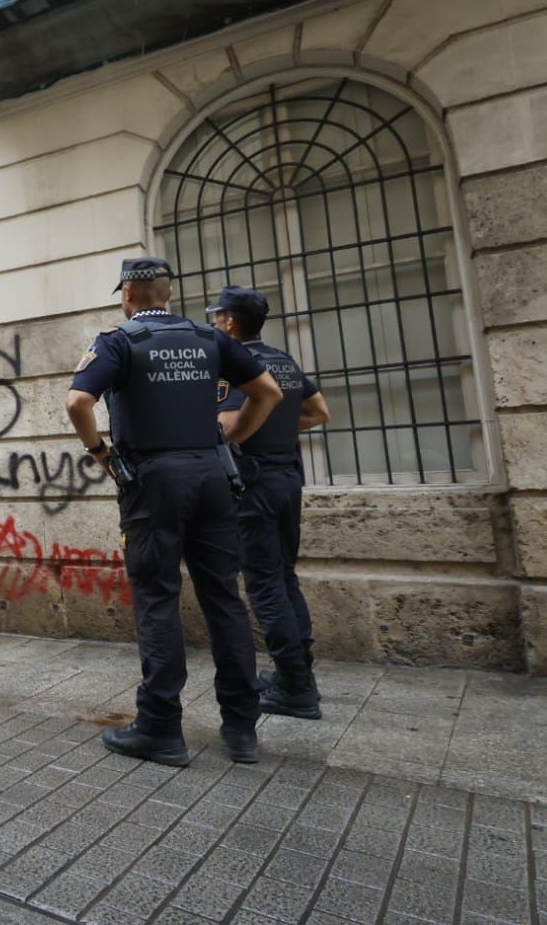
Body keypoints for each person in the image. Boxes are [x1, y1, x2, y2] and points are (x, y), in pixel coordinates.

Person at [66, 258, 283, 767]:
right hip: (213, 477)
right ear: (167, 293)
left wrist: (101, 454)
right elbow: (268, 393)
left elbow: (78, 402)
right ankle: (241, 729)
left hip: (154, 482)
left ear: (127, 295)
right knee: (224, 598)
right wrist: (230, 439)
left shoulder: (119, 341)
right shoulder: (211, 339)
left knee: (158, 599)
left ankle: (161, 727)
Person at [207, 286, 332, 719]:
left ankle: (295, 688)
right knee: (284, 577)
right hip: (287, 481)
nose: (213, 323)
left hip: (254, 484)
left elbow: (225, 428)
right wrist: (273, 422)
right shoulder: (284, 360)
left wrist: (248, 431)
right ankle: (300, 677)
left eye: (216, 316)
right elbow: (319, 413)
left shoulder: (236, 364)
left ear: (230, 323)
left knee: (263, 584)